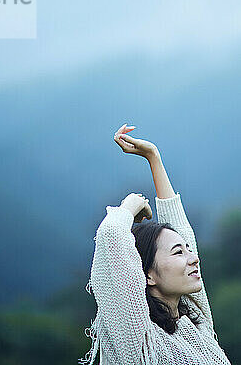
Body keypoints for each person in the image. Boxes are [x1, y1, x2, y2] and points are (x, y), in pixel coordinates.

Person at [80, 124, 232, 365]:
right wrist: (131, 205)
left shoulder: (197, 325)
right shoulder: (139, 341)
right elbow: (112, 235)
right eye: (178, 253)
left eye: (188, 250)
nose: (193, 258)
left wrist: (154, 158)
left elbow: (181, 232)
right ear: (147, 275)